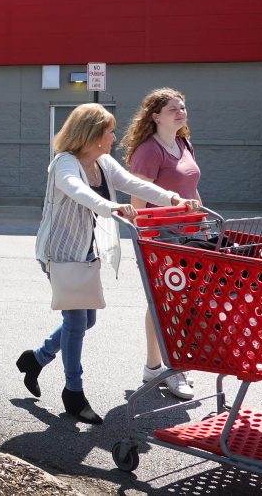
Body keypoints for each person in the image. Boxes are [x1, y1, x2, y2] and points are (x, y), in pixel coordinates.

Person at [15, 103, 199, 424]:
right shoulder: (64, 164)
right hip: (61, 253)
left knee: (87, 322)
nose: (114, 137)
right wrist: (112, 207)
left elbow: (134, 183)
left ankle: (37, 359)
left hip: (87, 252)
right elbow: (78, 192)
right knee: (76, 323)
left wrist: (173, 199)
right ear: (92, 134)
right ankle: (74, 393)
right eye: (109, 131)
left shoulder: (103, 162)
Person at [122, 87, 201, 400]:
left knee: (179, 302)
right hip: (162, 238)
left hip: (192, 236)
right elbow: (137, 201)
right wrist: (142, 239)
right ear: (155, 116)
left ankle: (157, 367)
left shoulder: (183, 144)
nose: (180, 112)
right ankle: (169, 367)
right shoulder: (149, 151)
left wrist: (206, 226)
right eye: (173, 109)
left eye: (182, 107)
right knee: (167, 301)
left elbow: (192, 190)